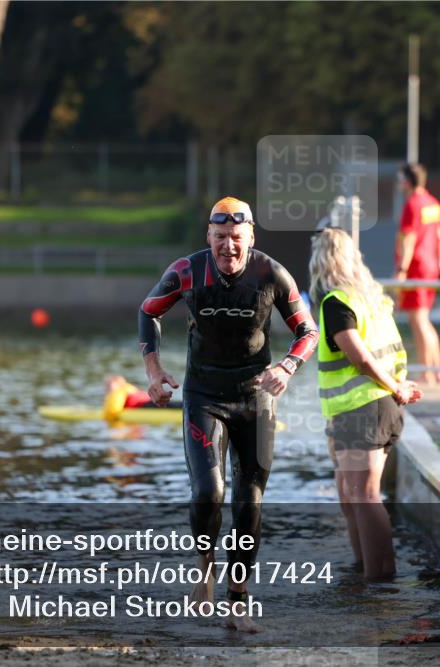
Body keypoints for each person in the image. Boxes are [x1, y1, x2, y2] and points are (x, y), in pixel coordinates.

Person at [138, 196, 318, 632]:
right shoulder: (186, 271)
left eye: (237, 238)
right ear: (209, 237)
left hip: (255, 398)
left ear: (250, 237)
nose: (229, 247)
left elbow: (308, 330)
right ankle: (205, 572)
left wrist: (288, 367)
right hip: (203, 394)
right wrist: (155, 370)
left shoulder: (270, 273)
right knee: (208, 491)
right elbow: (148, 312)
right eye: (220, 238)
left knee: (249, 501)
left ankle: (238, 602)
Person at [310, 226, 422, 580]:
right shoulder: (374, 301)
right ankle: (362, 571)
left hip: (365, 409)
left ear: (320, 263)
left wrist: (397, 388)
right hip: (369, 408)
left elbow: (361, 359)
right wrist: (398, 385)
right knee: (349, 491)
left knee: (364, 493)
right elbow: (395, 352)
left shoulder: (337, 302)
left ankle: (379, 581)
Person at [394, 163, 440, 386]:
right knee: (424, 319)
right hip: (431, 265)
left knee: (417, 319)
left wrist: (402, 270)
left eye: (400, 179)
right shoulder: (432, 203)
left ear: (407, 181)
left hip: (416, 267)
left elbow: (408, 238)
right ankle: (437, 370)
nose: (398, 183)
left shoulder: (413, 204)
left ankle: (427, 372)